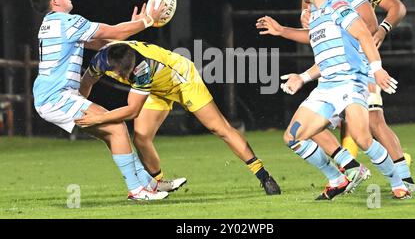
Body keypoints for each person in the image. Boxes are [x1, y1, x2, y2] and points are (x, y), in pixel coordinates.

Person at [260, 0, 411, 200]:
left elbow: (364, 35)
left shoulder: (338, 6)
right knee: (292, 137)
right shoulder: (317, 16)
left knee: (363, 139)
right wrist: (302, 77)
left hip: (351, 82)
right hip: (328, 87)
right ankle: (338, 177)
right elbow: (327, 59)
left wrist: (378, 70)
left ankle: (398, 182)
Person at [74, 40, 282, 196]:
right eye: (121, 74)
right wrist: (76, 108)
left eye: (127, 74)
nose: (124, 78)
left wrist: (97, 119)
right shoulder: (102, 60)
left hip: (183, 80)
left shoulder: (142, 68)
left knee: (219, 128)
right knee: (141, 137)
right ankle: (158, 183)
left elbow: (132, 110)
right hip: (156, 89)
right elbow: (86, 84)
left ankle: (264, 176)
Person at [30, 0, 169, 201]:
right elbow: (113, 32)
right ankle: (137, 190)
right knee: (117, 127)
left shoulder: (50, 24)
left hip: (51, 97)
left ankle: (148, 183)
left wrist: (130, 28)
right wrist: (148, 20)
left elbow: (103, 41)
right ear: (55, 1)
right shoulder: (68, 22)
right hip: (56, 98)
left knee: (111, 133)